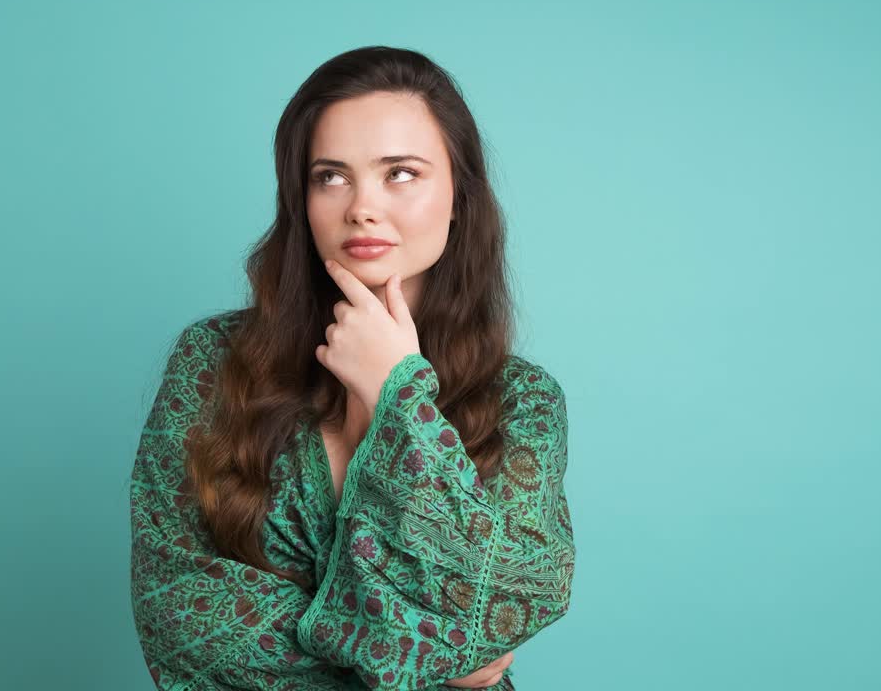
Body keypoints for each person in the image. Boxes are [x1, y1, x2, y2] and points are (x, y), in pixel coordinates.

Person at [129, 45, 575, 690]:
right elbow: (189, 621)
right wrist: (433, 652)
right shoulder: (212, 362)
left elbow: (510, 597)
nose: (362, 207)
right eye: (330, 176)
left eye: (401, 173)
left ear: (458, 196)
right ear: (300, 198)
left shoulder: (523, 401)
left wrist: (398, 394)